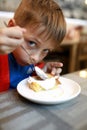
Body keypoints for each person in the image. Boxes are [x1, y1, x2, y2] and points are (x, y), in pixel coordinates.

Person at [0, 0, 66, 92]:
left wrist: (43, 70)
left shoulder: (32, 64)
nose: (36, 58)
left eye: (45, 50)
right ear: (12, 27)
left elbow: (30, 76)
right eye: (32, 43)